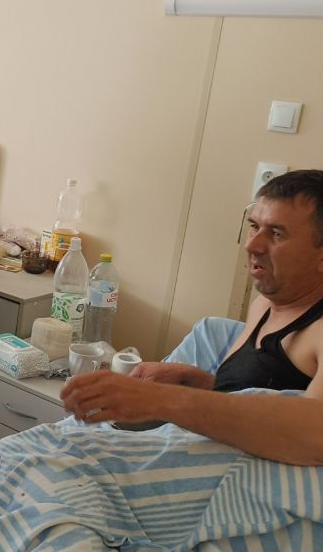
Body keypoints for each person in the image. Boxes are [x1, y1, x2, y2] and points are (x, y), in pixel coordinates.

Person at [62, 169, 323, 466]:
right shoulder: (266, 303)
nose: (252, 245)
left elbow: (315, 434)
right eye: (254, 227)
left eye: (277, 234)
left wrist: (159, 399)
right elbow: (253, 400)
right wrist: (195, 381)